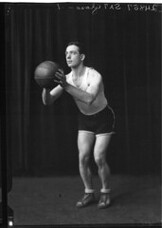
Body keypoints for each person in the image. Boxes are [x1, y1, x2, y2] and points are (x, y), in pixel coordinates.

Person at [42, 41, 115, 209]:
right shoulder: (67, 79)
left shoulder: (94, 75)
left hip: (103, 117)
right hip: (85, 119)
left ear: (81, 57)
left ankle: (105, 191)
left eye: (73, 53)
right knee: (83, 158)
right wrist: (45, 87)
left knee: (98, 157)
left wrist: (66, 86)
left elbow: (89, 99)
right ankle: (89, 192)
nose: (68, 56)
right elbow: (48, 101)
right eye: (67, 53)